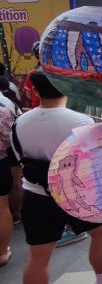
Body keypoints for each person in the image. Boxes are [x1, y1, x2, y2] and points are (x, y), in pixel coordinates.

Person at [12, 71, 102, 284]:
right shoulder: (82, 121)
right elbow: (97, 160)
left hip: (36, 195)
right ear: (67, 88)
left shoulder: (20, 122)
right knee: (101, 233)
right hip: (79, 195)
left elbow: (19, 156)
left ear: (36, 91)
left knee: (38, 257)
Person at [0, 105, 16, 266]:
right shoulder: (3, 111)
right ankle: (2, 252)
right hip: (0, 162)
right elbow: (9, 139)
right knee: (2, 207)